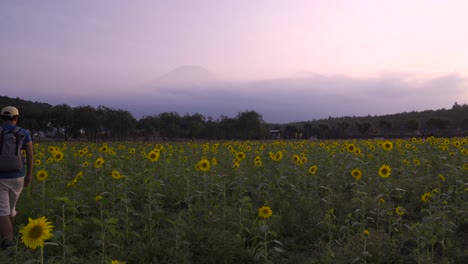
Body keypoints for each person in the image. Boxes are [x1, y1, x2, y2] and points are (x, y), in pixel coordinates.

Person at [0, 106, 33, 249]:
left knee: (2, 211)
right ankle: (8, 235)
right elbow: (30, 155)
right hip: (18, 176)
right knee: (10, 209)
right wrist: (29, 175)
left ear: (2, 118)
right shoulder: (24, 133)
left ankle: (8, 242)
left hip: (1, 177)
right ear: (16, 118)